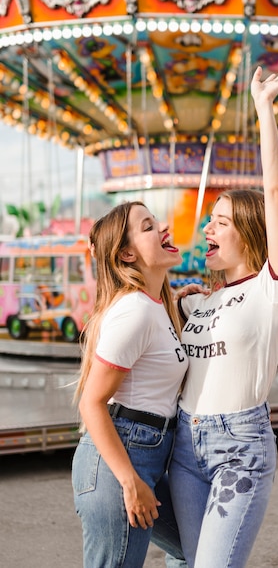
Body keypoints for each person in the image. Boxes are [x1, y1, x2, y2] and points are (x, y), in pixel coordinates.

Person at [169, 67, 278, 568]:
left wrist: (263, 107)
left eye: (221, 221)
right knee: (185, 563)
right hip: (184, 443)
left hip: (238, 446)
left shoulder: (272, 287)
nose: (208, 227)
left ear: (249, 231)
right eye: (210, 220)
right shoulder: (196, 302)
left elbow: (277, 192)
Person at [71, 201, 188, 568]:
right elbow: (91, 402)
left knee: (194, 551)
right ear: (127, 254)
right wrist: (129, 481)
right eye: (150, 226)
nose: (165, 227)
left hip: (148, 454)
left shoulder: (154, 307)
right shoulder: (134, 311)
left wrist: (184, 303)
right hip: (122, 460)